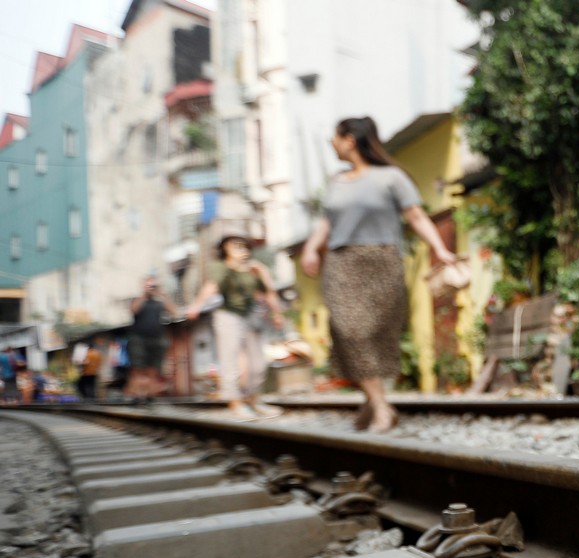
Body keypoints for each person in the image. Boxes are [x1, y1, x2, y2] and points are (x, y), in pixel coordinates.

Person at [299, 116, 458, 433]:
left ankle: (372, 402)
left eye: (335, 137)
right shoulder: (336, 181)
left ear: (350, 140)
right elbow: (327, 222)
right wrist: (310, 248)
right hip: (342, 264)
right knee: (349, 332)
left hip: (382, 262)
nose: (332, 143)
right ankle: (384, 409)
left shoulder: (391, 178)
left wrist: (439, 249)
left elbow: (416, 215)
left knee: (378, 337)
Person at [187, 232, 284, 419]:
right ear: (225, 249)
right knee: (230, 359)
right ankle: (235, 403)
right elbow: (212, 285)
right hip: (227, 315)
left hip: (250, 315)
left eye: (242, 245)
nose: (239, 248)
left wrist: (277, 313)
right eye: (233, 245)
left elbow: (269, 292)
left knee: (258, 362)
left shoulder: (255, 269)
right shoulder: (220, 267)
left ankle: (254, 400)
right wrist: (196, 305)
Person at [128, 276, 177, 405]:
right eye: (148, 285)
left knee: (153, 369)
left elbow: (174, 312)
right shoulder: (138, 300)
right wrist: (144, 294)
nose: (151, 288)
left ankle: (149, 395)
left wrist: (163, 295)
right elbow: (133, 310)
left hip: (156, 338)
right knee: (138, 368)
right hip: (139, 338)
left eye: (153, 285)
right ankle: (137, 395)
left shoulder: (160, 302)